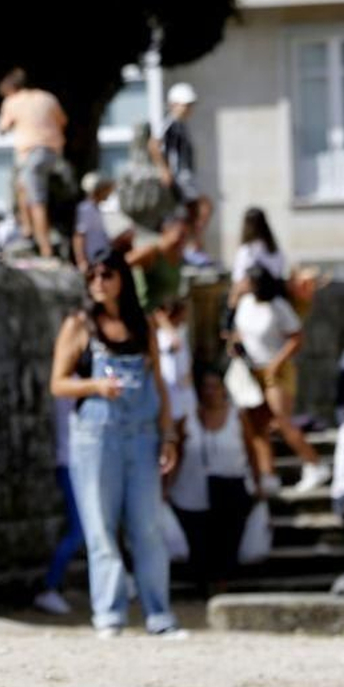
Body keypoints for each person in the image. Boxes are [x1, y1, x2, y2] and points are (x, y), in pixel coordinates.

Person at [49, 249, 185, 638]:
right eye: (92, 275)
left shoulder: (141, 325)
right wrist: (95, 385)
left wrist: (169, 434)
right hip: (96, 435)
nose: (99, 282)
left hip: (141, 435)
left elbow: (159, 384)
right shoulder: (78, 325)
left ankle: (159, 614)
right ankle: (109, 614)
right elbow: (58, 383)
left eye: (106, 274)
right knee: (101, 527)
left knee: (147, 526)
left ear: (122, 278)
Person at [227, 208, 330, 494]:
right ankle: (267, 474)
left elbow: (298, 337)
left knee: (280, 420)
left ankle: (314, 463)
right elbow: (238, 331)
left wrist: (275, 362)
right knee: (257, 425)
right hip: (252, 369)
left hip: (276, 369)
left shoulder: (278, 306)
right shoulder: (247, 304)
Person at [168, 367, 263, 593]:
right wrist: (166, 485)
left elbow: (252, 449)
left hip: (231, 486)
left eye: (215, 387)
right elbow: (177, 453)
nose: (211, 392)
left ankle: (222, 580)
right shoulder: (188, 419)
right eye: (206, 387)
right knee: (200, 538)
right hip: (193, 489)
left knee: (227, 535)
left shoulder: (237, 416)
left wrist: (258, 480)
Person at [0, 68, 67, 260]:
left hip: (31, 154)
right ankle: (28, 229)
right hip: (53, 153)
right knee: (22, 187)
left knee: (37, 201)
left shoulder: (12, 101)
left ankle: (44, 246)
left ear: (11, 88)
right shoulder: (47, 98)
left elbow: (2, 128)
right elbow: (62, 121)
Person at [33, 396, 83, 616]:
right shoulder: (70, 385)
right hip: (71, 464)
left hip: (81, 463)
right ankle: (48, 587)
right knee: (79, 531)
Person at [156, 84, 211, 264]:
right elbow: (154, 144)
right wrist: (164, 170)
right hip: (179, 180)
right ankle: (189, 251)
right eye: (184, 105)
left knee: (197, 213)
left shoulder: (181, 125)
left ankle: (192, 249)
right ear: (173, 104)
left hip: (186, 179)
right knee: (194, 213)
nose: (188, 109)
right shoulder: (169, 123)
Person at [155, 299, 195, 436]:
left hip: (182, 391)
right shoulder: (157, 335)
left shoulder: (181, 331)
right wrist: (161, 318)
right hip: (167, 392)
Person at [72, 172, 116, 269]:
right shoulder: (85, 209)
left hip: (106, 258)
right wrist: (81, 261)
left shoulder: (104, 208)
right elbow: (79, 236)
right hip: (93, 261)